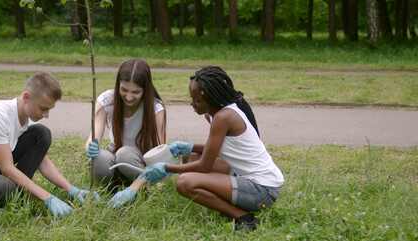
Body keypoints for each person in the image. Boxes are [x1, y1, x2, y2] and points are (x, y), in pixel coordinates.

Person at [139, 66, 284, 231]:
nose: (192, 104)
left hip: (263, 191)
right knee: (191, 158)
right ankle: (236, 206)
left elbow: (205, 166)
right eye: (192, 99)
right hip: (253, 180)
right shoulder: (220, 112)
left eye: (198, 101)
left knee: (185, 182)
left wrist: (166, 168)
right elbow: (217, 149)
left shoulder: (223, 118)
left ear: (212, 98)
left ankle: (243, 218)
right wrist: (189, 147)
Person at [0, 72, 99, 217]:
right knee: (6, 189)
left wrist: (71, 189)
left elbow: (42, 161)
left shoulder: (27, 116)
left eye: (49, 110)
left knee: (41, 134)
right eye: (43, 109)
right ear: (26, 97)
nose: (46, 115)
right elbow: (7, 168)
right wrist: (48, 198)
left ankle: (11, 193)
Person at [85, 59, 166, 185]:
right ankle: (113, 187)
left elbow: (159, 152)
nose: (128, 97)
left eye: (136, 92)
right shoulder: (106, 101)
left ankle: (141, 185)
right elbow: (94, 136)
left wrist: (158, 177)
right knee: (99, 158)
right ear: (118, 85)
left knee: (124, 154)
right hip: (114, 156)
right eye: (124, 90)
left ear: (146, 90)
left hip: (139, 163)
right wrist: (90, 147)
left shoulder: (155, 108)